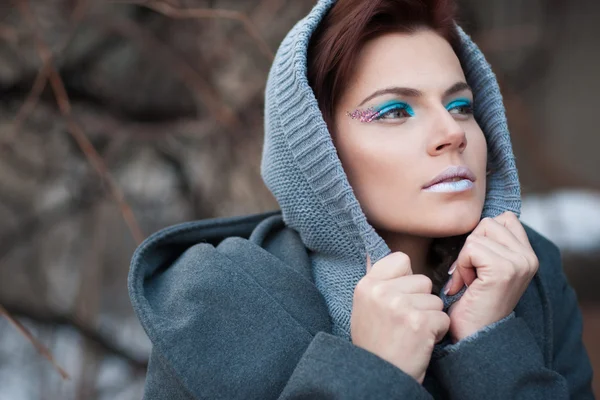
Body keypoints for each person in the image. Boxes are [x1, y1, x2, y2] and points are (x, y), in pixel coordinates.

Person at [128, 0, 595, 398]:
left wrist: (490, 344)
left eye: (462, 106)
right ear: (316, 149)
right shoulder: (217, 305)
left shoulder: (525, 277)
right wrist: (372, 370)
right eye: (395, 111)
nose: (452, 133)